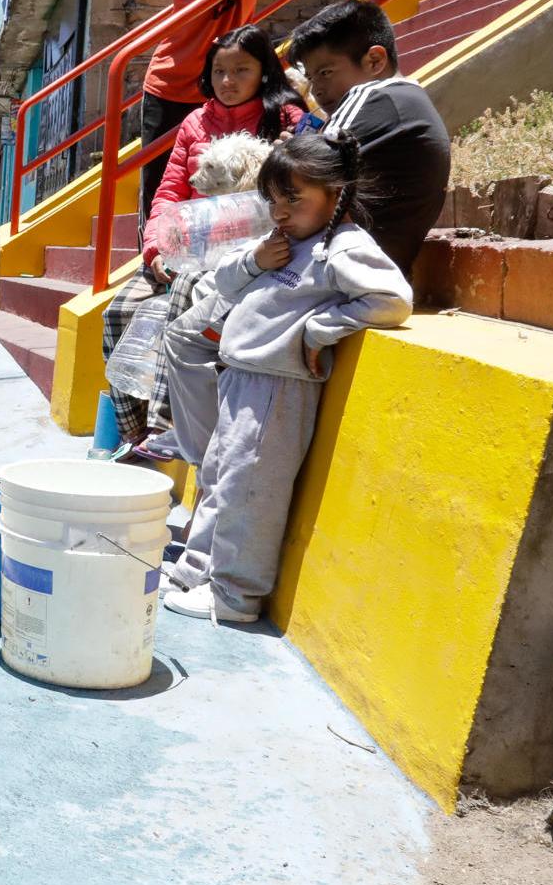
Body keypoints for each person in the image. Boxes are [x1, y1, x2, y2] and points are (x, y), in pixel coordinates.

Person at [161, 133, 412, 623]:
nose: (280, 211)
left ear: (335, 193)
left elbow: (391, 299)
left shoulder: (341, 247)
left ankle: (235, 595)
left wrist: (319, 330)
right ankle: (198, 568)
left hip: (277, 387)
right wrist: (256, 260)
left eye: (293, 199)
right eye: (273, 200)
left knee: (249, 489)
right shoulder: (286, 241)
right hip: (243, 375)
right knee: (216, 476)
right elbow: (224, 281)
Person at [104, 24, 307, 458]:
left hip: (249, 251)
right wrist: (155, 247)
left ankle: (166, 425)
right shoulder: (195, 122)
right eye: (219, 71)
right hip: (188, 243)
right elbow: (169, 190)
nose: (228, 82)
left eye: (241, 70)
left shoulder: (286, 117)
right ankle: (132, 434)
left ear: (264, 72)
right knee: (118, 312)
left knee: (181, 294)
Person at [137, 0, 304, 212]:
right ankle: (152, 255)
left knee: (221, 174)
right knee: (161, 179)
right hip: (171, 85)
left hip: (222, 85)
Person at [289, 0, 452, 276]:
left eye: (326, 72)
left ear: (374, 60)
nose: (317, 89)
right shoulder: (406, 102)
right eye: (312, 77)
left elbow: (290, 183)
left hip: (330, 273)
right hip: (368, 272)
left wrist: (284, 156)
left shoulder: (372, 96)